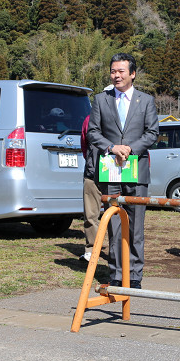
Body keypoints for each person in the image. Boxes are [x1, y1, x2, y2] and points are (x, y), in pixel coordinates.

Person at [87, 53, 159, 288]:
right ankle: (117, 273)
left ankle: (135, 275)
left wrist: (130, 148)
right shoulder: (101, 99)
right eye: (113, 71)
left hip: (136, 169)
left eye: (121, 71)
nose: (116, 75)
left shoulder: (145, 100)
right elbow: (93, 132)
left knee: (136, 225)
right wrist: (111, 147)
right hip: (111, 170)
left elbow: (152, 133)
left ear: (132, 73)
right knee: (114, 224)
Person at [79, 111, 107, 263]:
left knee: (117, 214)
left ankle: (119, 251)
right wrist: (91, 163)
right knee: (90, 214)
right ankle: (91, 249)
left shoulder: (124, 119)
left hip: (117, 174)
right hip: (92, 173)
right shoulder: (89, 119)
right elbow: (84, 144)